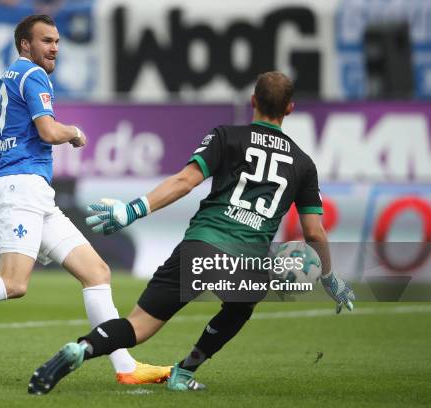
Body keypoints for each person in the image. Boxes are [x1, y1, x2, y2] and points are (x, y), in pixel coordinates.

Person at [27, 71, 356, 394]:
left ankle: (81, 349)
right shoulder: (303, 163)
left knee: (138, 327)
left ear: (253, 100)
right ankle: (185, 371)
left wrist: (131, 210)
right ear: (290, 108)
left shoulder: (227, 136)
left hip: (203, 246)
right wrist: (328, 276)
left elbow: (184, 182)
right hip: (248, 262)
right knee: (239, 307)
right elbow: (314, 232)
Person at [0, 14, 170, 385]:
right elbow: (49, 130)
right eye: (46, 41)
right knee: (13, 283)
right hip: (24, 188)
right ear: (26, 44)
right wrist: (74, 133)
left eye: (56, 41)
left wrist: (6, 169)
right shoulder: (34, 76)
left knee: (97, 272)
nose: (54, 47)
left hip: (30, 191)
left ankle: (126, 368)